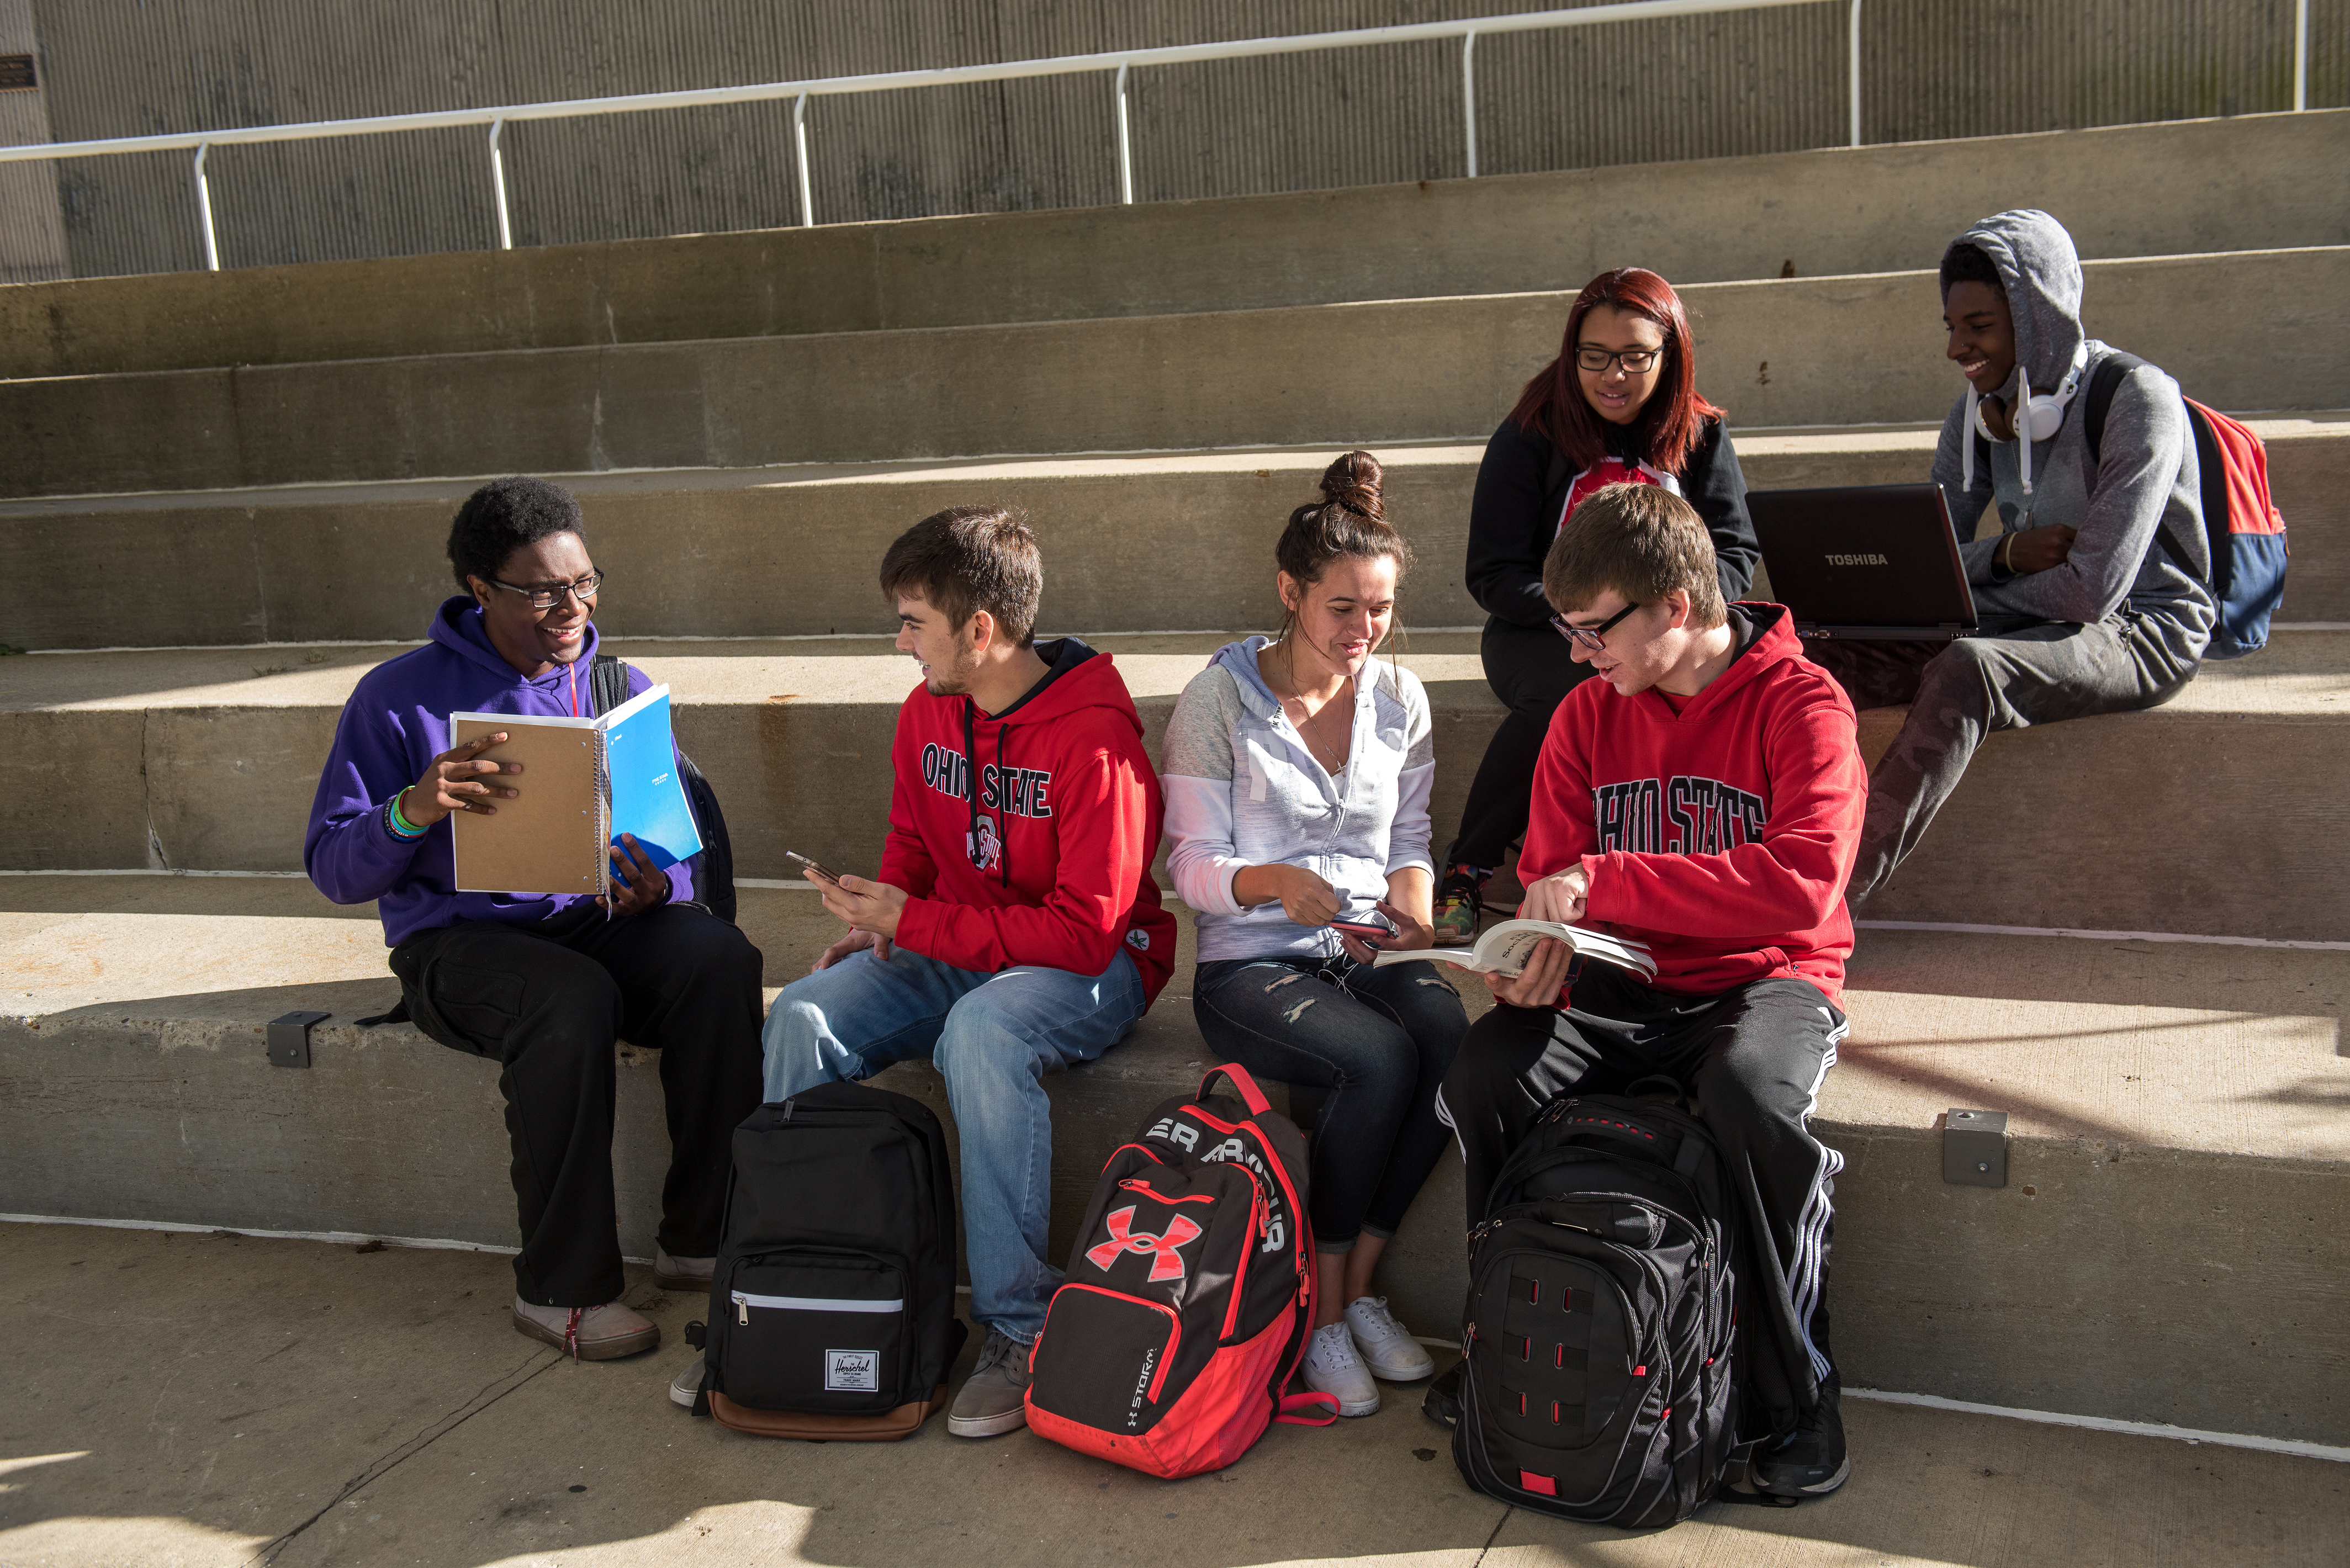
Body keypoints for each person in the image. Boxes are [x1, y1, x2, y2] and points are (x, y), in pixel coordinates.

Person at [1428, 481, 1866, 1500]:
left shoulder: (1802, 704)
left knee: (1749, 1097)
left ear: (1675, 604)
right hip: (1620, 983)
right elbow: (1551, 872)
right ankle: (1506, 1332)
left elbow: (1802, 884)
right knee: (1491, 1069)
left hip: (1761, 982)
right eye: (1569, 632)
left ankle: (1802, 1394)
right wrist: (1539, 957)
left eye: (1594, 631)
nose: (1579, 655)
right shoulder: (1584, 715)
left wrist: (1610, 882)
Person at [305, 476, 764, 1361]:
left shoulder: (613, 684)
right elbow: (333, 867)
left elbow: (681, 847)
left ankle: (701, 1235)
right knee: (569, 999)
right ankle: (562, 1288)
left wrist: (654, 886)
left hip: (594, 920)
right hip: (461, 949)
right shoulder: (398, 698)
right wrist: (413, 808)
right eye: (544, 591)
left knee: (718, 959)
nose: (572, 606)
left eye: (585, 582)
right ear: (482, 591)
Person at [750, 505, 1178, 1439]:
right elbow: (913, 839)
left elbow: (1082, 934)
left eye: (913, 622)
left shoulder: (1095, 742)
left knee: (980, 1034)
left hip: (1094, 965)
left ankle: (1020, 1323)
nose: (900, 642)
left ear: (979, 631)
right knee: (803, 1017)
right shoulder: (927, 711)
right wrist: (881, 913)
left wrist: (920, 918)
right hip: (958, 941)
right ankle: (804, 1290)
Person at [1160, 451, 1469, 1418]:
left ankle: (1358, 1286)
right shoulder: (1220, 702)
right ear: (1290, 591)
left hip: (1364, 946)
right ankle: (1322, 1312)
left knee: (1455, 1041)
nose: (1363, 631)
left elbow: (1410, 839)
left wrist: (1416, 907)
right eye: (1343, 608)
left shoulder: (1399, 697)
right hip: (1249, 966)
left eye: (1379, 610)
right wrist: (1269, 881)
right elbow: (1189, 868)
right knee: (1377, 1061)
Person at [1809, 209, 2213, 903]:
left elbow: (2090, 594)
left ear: (2039, 319)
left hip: (2143, 629)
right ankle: (1734, 867)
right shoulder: (1974, 413)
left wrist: (1963, 587)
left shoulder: (2137, 399)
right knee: (1814, 652)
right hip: (2028, 613)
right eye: (1952, 328)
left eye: (1980, 327)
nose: (1956, 349)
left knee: (1967, 664)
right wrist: (2003, 556)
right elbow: (1919, 562)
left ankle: (1817, 910)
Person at [1432, 267, 1760, 945]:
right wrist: (1586, 624)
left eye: (1635, 356)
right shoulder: (1531, 431)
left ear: (1669, 356)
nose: (1613, 374)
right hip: (1539, 630)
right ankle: (1467, 867)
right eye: (1594, 356)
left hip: (1666, 626)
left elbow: (1732, 552)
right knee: (1571, 685)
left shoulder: (1698, 432)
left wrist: (1674, 619)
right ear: (1570, 353)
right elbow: (1492, 572)